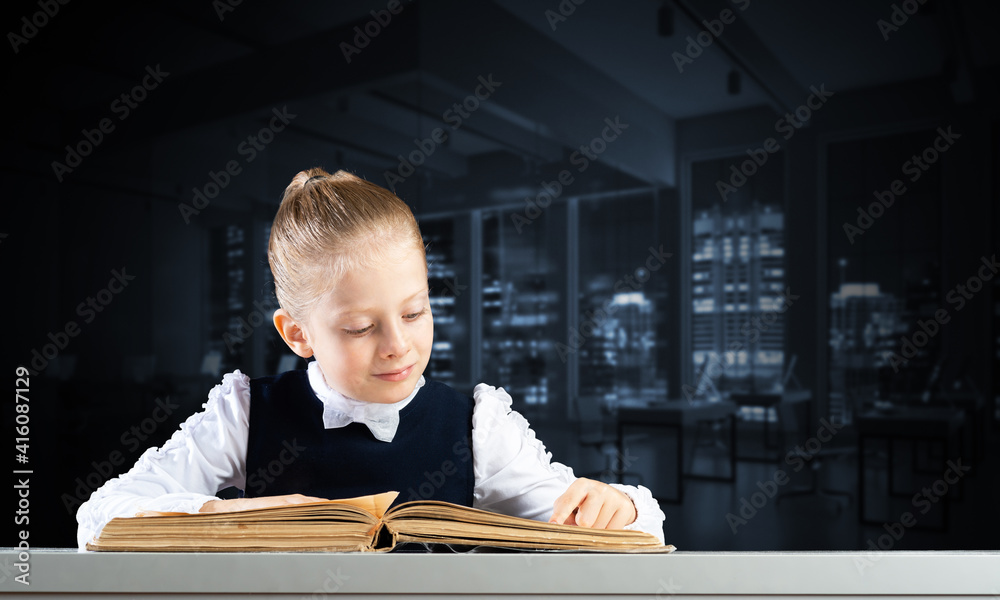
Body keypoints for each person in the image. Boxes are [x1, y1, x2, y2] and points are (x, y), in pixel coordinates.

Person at [76, 168, 665, 549]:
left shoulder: (480, 426)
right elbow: (101, 517)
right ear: (298, 334)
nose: (397, 345)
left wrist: (618, 506)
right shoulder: (245, 414)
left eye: (414, 313)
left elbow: (624, 527)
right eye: (360, 327)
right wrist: (232, 517)